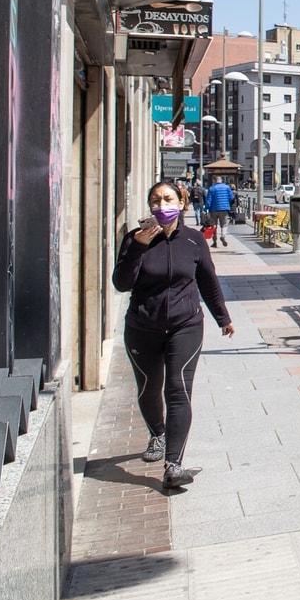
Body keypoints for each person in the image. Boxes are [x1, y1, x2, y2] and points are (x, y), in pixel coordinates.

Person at [112, 181, 234, 490]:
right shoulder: (134, 239)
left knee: (178, 389)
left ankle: (173, 463)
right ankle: (157, 432)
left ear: (181, 203)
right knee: (150, 387)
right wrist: (138, 246)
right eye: (155, 200)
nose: (161, 205)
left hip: (186, 324)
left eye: (167, 199)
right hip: (142, 328)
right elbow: (121, 283)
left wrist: (223, 318)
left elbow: (208, 280)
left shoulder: (193, 240)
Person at [203, 177, 234, 247]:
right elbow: (232, 198)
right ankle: (223, 236)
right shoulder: (227, 187)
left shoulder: (212, 188)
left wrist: (206, 209)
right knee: (224, 224)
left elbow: (209, 200)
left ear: (214, 181)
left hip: (213, 209)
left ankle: (215, 242)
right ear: (221, 180)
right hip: (224, 209)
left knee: (214, 226)